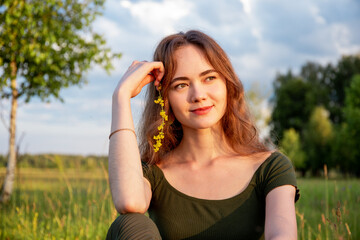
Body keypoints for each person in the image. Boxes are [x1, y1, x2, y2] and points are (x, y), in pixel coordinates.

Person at [106, 30, 300, 240]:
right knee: (129, 222)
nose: (198, 95)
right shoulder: (153, 172)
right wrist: (122, 95)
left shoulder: (270, 167)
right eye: (181, 85)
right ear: (166, 98)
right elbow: (129, 202)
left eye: (209, 78)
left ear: (227, 84)